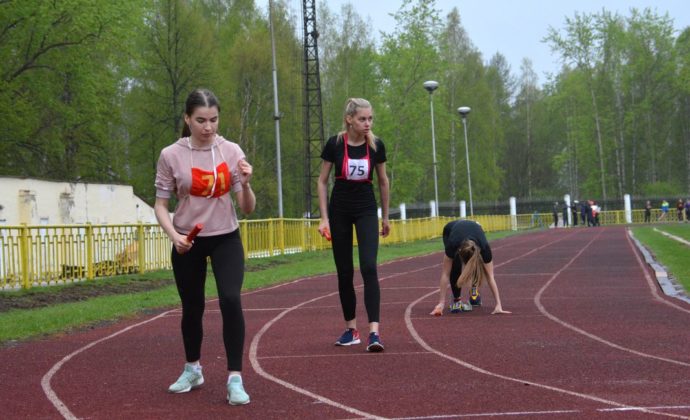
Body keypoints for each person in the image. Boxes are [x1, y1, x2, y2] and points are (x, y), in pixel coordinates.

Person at [154, 88, 255, 405]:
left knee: (229, 298)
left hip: (225, 236)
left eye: (213, 120)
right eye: (200, 120)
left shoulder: (231, 150)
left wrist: (247, 183)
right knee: (193, 306)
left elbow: (247, 207)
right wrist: (175, 237)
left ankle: (235, 379)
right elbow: (160, 205)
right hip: (187, 240)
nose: (208, 127)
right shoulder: (171, 155)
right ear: (187, 119)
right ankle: (193, 369)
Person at [317, 98, 390, 352]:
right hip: (340, 210)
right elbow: (323, 181)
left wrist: (386, 216)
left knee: (369, 267)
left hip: (366, 209)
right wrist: (324, 217)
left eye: (370, 118)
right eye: (362, 119)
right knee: (345, 271)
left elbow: (383, 181)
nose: (367, 123)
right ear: (349, 120)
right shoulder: (335, 144)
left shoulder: (376, 146)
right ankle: (351, 330)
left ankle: (374, 333)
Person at [430, 219, 510, 316]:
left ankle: (474, 290)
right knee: (455, 265)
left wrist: (498, 305)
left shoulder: (484, 248)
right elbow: (445, 274)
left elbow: (490, 277)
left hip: (474, 231)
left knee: (477, 265)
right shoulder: (452, 244)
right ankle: (456, 300)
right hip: (450, 230)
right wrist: (441, 303)